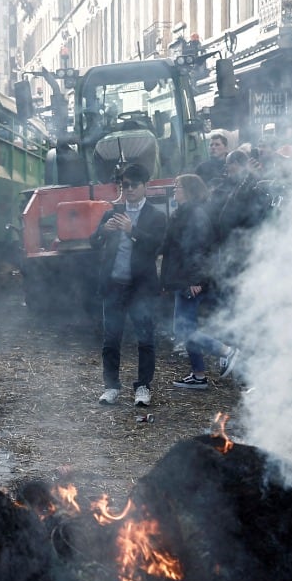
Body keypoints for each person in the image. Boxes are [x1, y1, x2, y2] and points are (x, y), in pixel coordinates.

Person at [93, 162, 167, 407]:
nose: (130, 189)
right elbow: (93, 241)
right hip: (114, 285)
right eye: (125, 185)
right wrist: (104, 230)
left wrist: (132, 230)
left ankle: (143, 386)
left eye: (134, 185)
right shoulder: (112, 211)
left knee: (145, 339)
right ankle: (111, 386)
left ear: (146, 186)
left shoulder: (156, 216)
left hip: (141, 288)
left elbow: (155, 245)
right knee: (111, 340)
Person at [162, 173, 227, 389]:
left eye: (178, 187)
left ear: (189, 190)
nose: (174, 190)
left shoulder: (196, 213)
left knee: (183, 330)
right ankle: (198, 375)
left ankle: (225, 351)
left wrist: (196, 279)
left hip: (191, 279)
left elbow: (200, 248)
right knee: (184, 327)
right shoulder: (183, 212)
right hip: (183, 278)